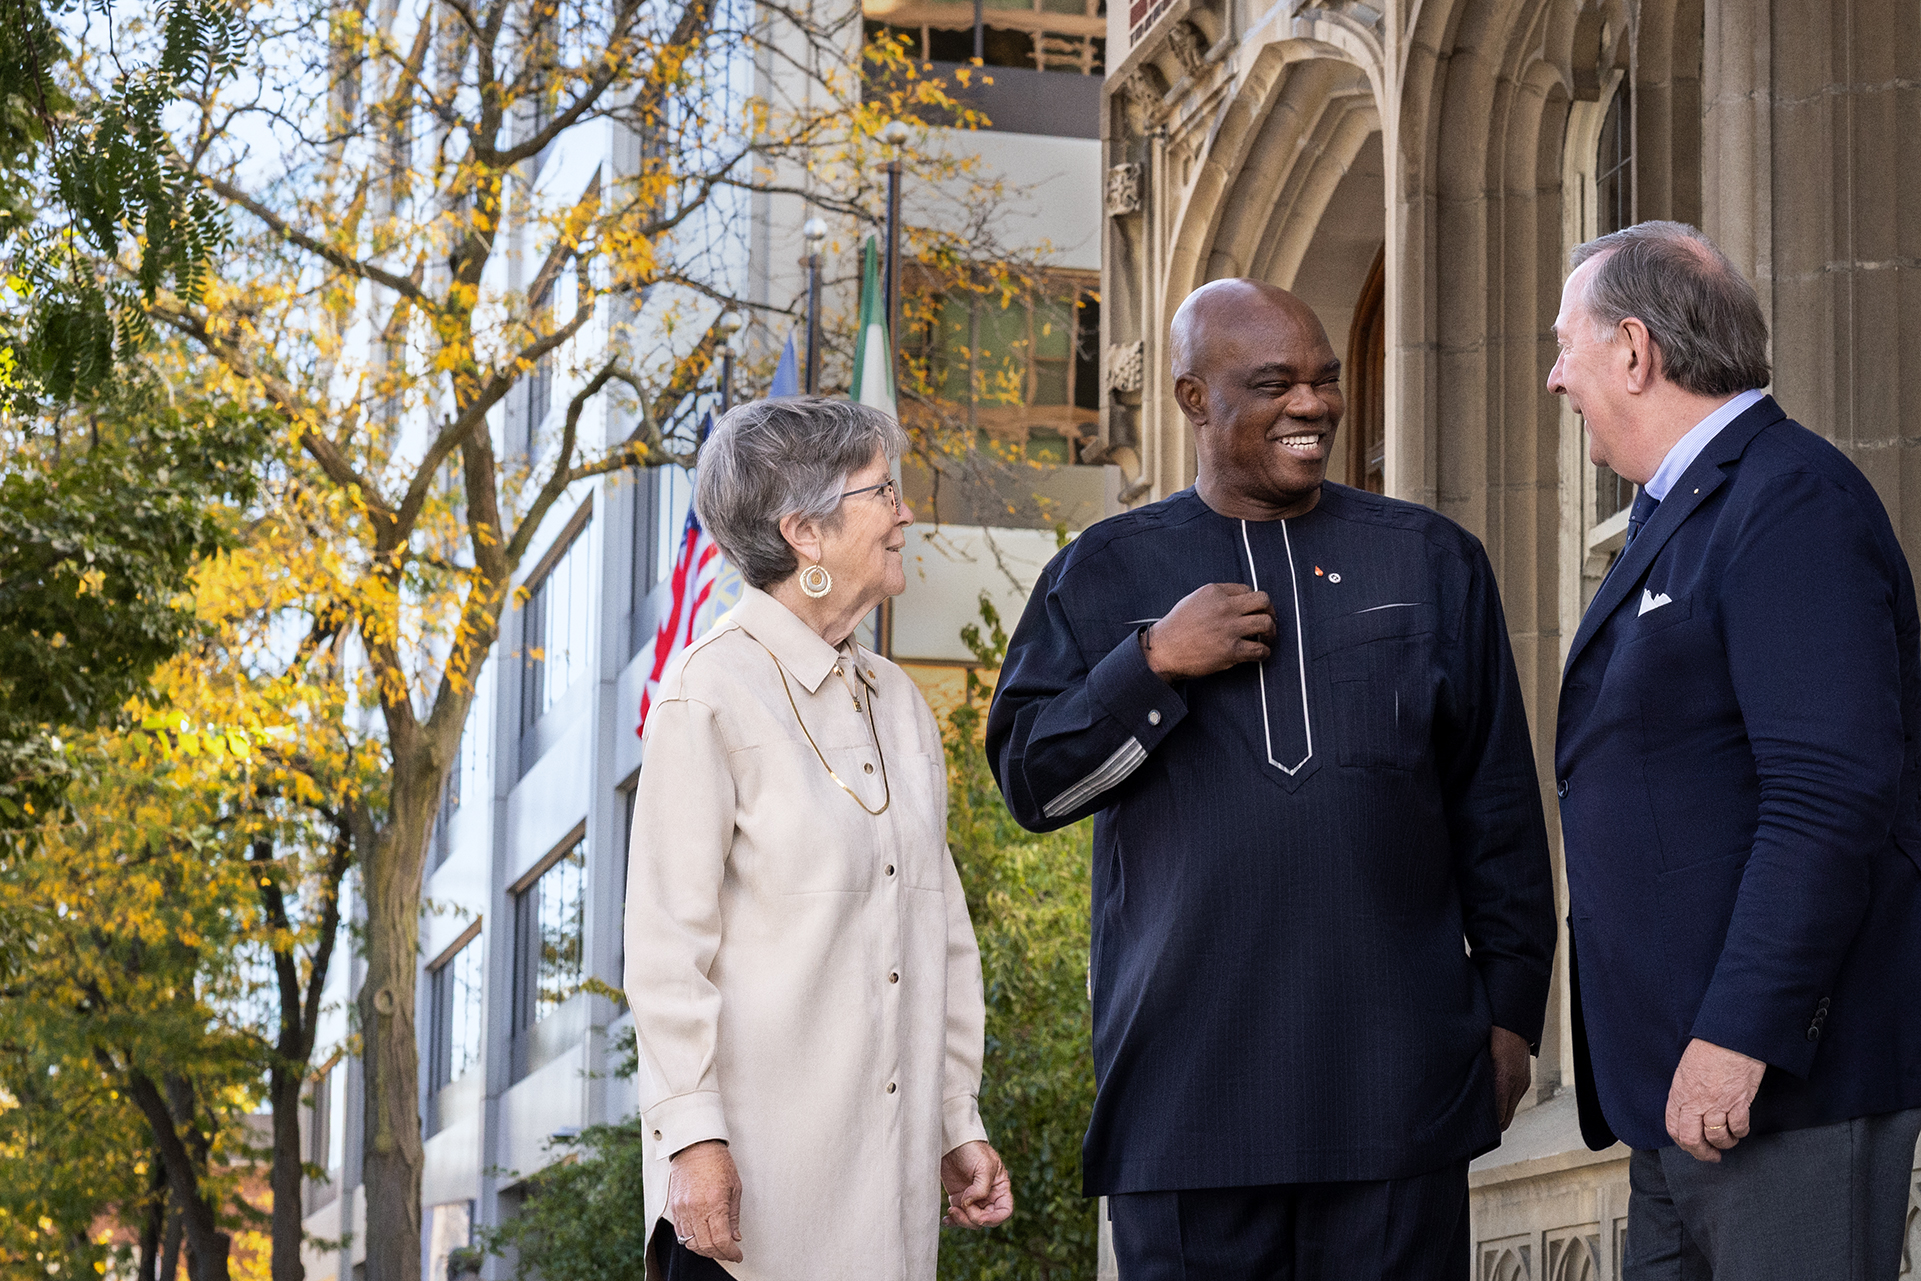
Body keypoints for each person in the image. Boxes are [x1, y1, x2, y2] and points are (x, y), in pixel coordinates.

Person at [985, 278, 1557, 1279]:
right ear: (1192, 399)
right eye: (1274, 383)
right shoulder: (1102, 571)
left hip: (1394, 1096)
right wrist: (1149, 663)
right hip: (1185, 1104)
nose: (1313, 405)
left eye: (1326, 381)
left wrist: (1511, 1017)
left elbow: (1499, 813)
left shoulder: (1430, 562)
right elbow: (1036, 787)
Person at [1551, 221, 1921, 1280]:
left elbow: (1830, 792)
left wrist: (1737, 1037)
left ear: (1633, 351)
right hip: (1681, 1104)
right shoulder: (1687, 509)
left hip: (1775, 1090)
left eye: (1563, 343)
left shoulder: (1789, 499)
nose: (1550, 375)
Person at [623, 397, 1014, 1281]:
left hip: (889, 1209)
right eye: (884, 491)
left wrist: (956, 1121)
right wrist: (690, 1139)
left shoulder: (899, 703)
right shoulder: (708, 689)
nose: (905, 512)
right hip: (749, 1206)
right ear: (803, 530)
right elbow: (664, 950)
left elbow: (940, 936)